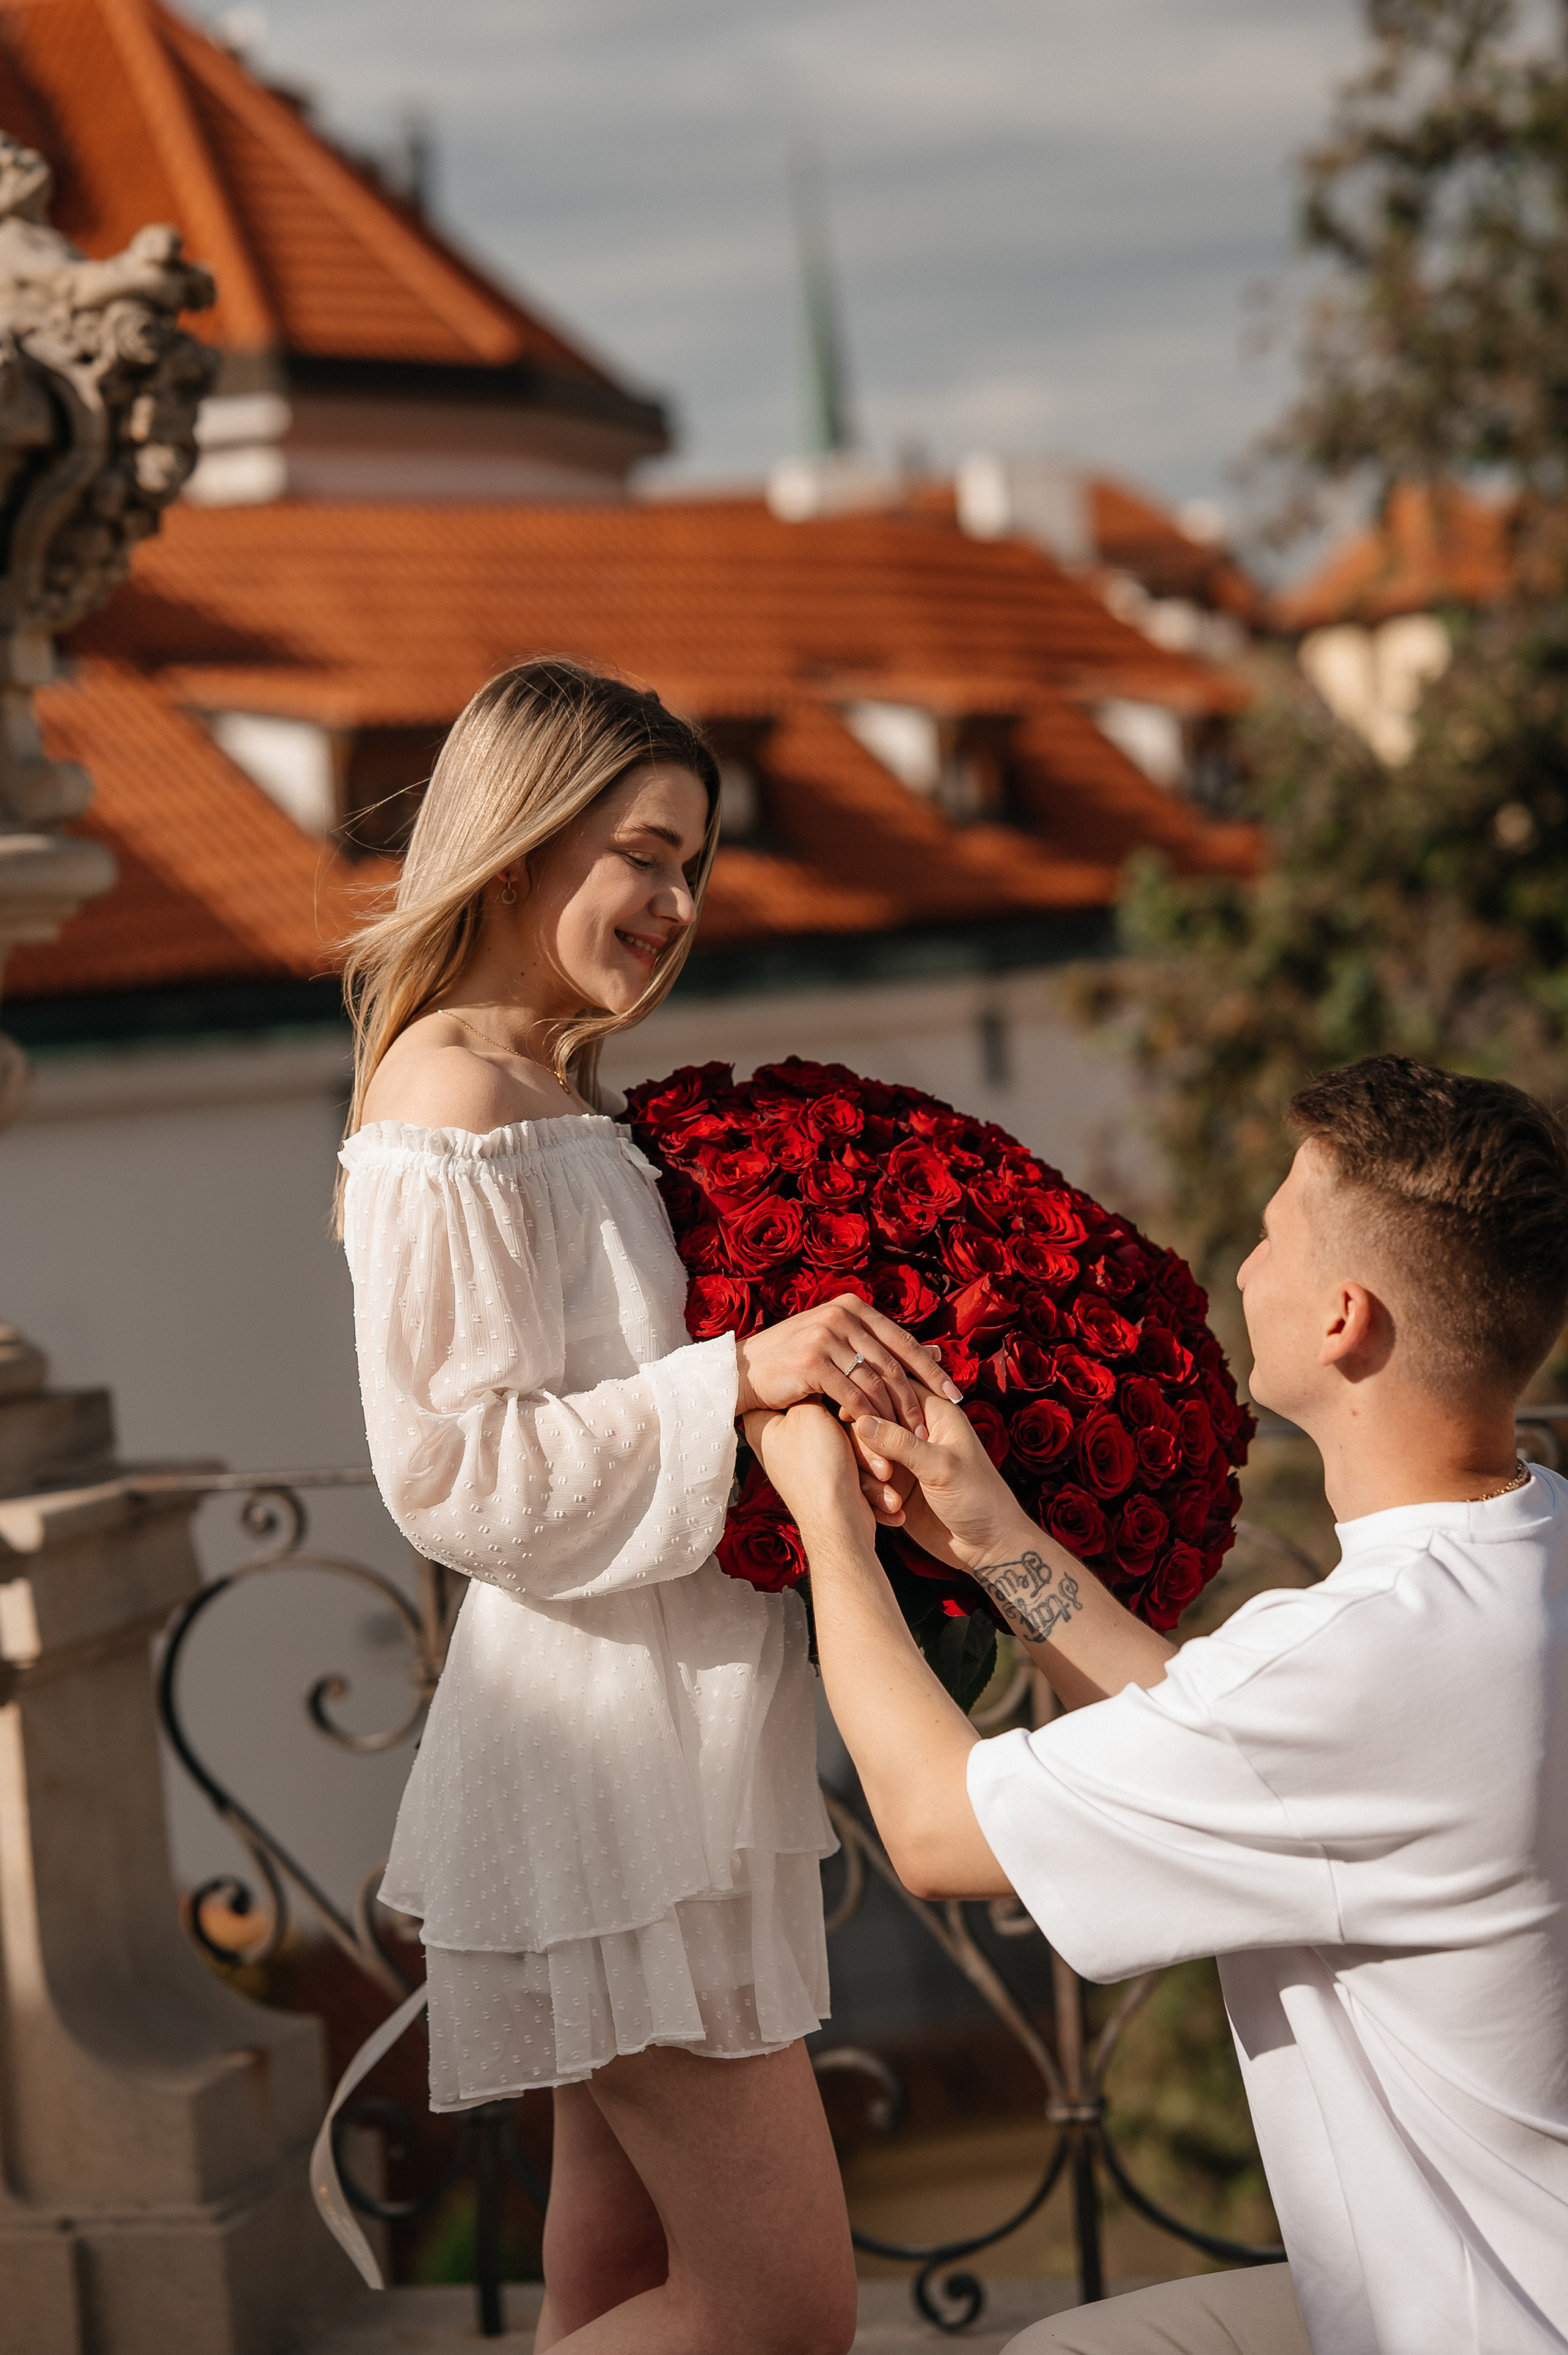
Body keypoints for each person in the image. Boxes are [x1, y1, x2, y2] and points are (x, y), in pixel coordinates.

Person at [316, 659, 958, 2355]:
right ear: (521, 844)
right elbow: (449, 1474)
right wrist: (740, 1377)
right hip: (599, 1773)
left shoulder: (561, 1097)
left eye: (694, 866)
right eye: (644, 855)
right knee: (781, 2312)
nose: (676, 904)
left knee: (608, 2284)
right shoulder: (444, 1108)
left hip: (672, 1748)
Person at [744, 1055, 1568, 2355]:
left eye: (1269, 1233)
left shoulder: (1361, 1660)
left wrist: (821, 1522)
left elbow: (934, 1828)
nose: (1242, 1266)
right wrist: (987, 1538)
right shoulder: (1518, 1565)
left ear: (1343, 1315)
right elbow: (1215, 1729)